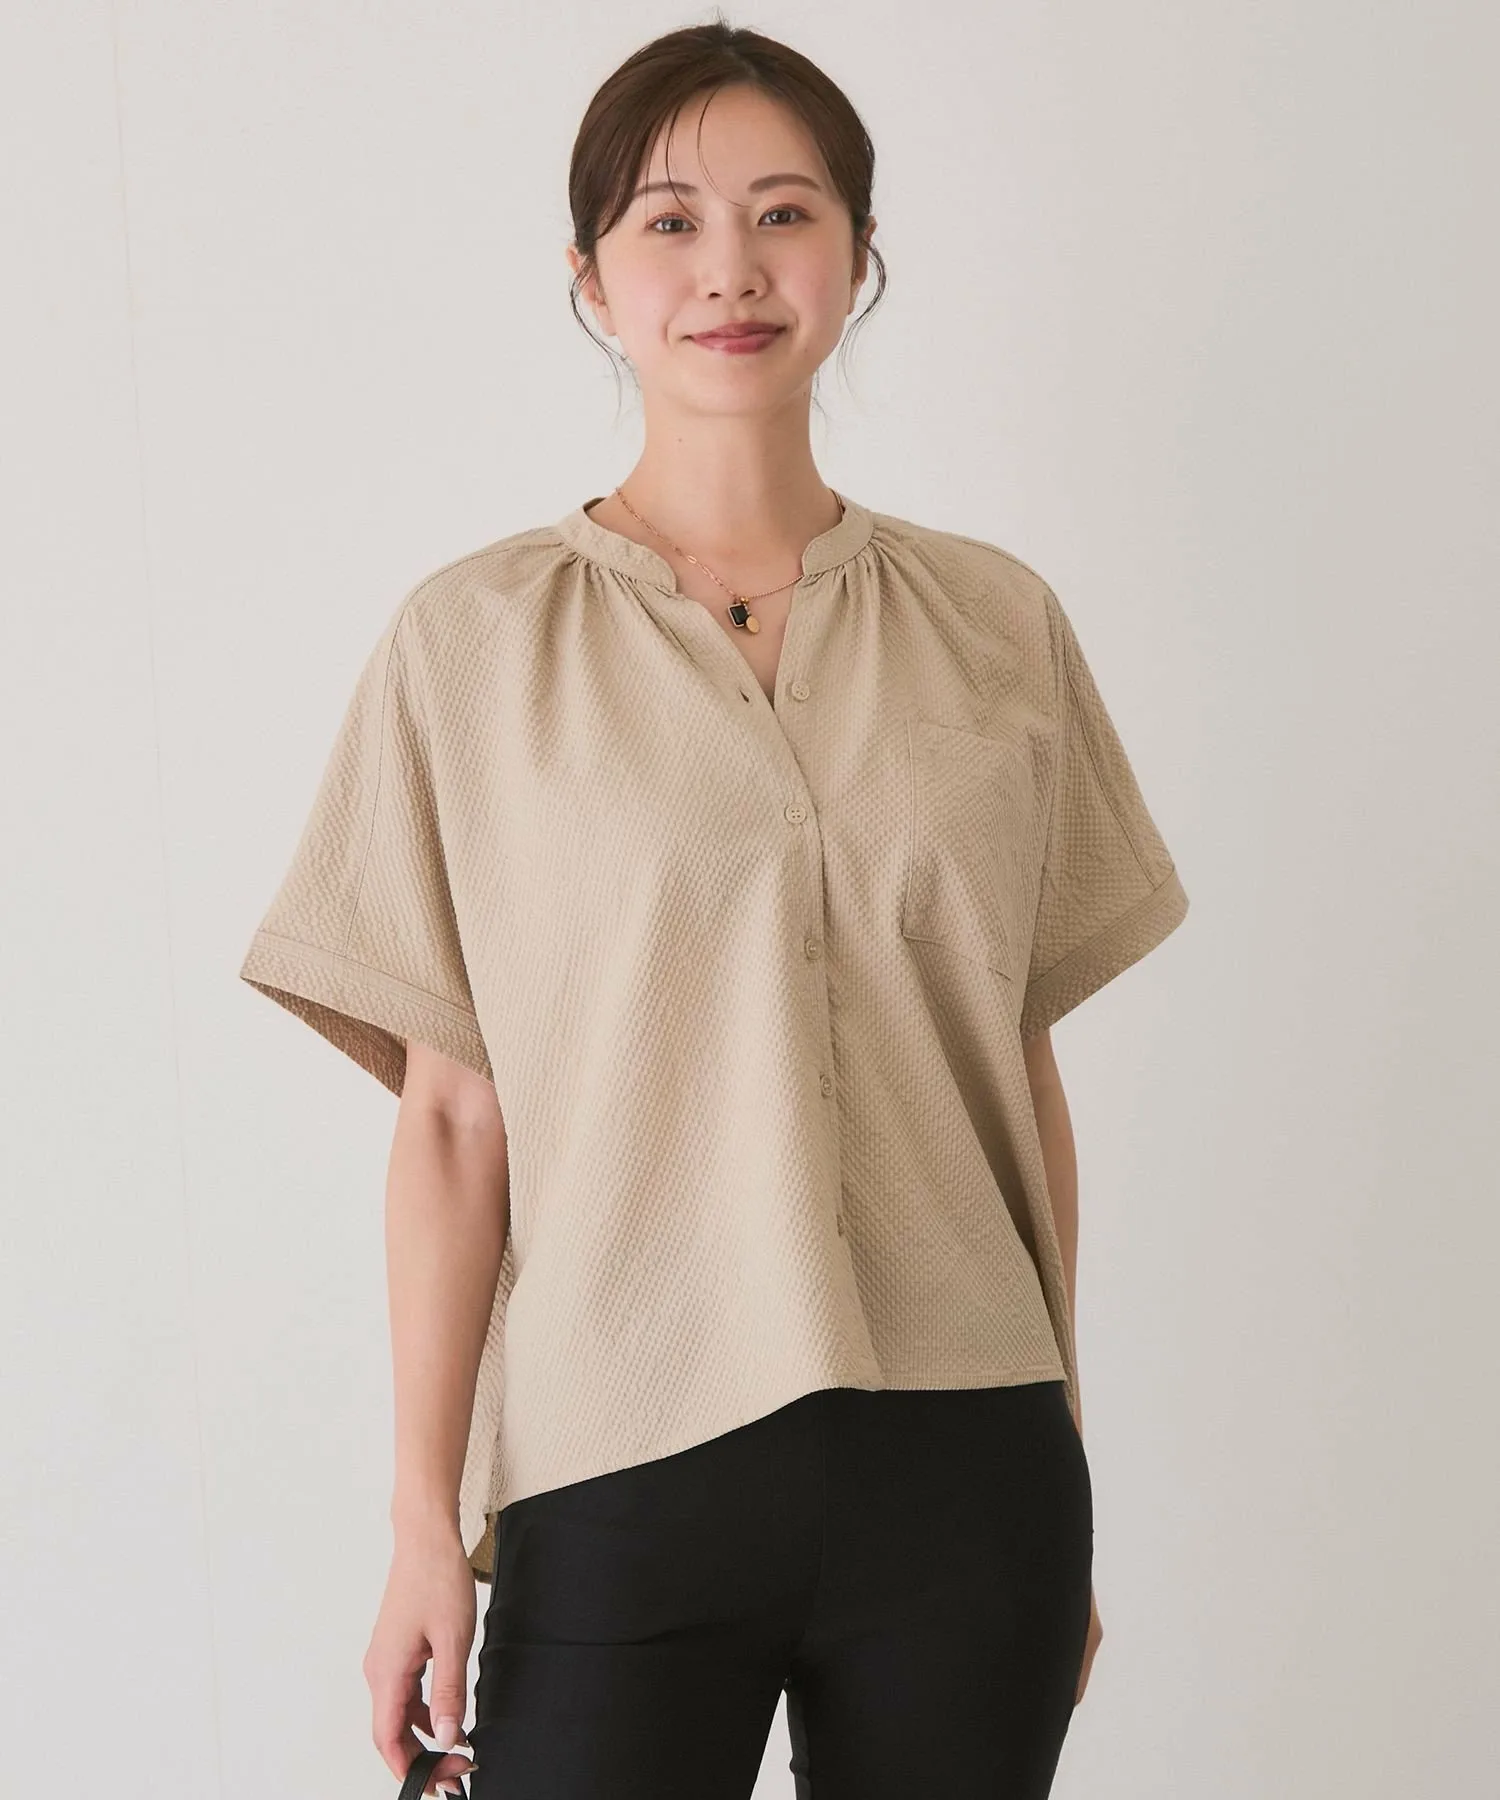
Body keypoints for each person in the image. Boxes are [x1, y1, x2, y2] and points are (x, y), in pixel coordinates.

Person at [238, 19, 1190, 1800]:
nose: (731, 269)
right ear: (591, 277)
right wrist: (424, 1527)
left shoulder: (997, 626)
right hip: (619, 1453)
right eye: (670, 221)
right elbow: (452, 1118)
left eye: (785, 213)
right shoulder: (473, 645)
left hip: (966, 1464)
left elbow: (1017, 1070)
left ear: (859, 256)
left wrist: (1062, 1452)